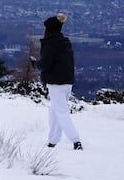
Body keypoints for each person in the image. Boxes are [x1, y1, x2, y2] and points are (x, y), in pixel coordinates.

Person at [37, 13, 82, 150]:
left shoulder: (50, 44)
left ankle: (75, 140)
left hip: (55, 83)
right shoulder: (64, 43)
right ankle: (53, 140)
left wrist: (36, 64)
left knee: (61, 112)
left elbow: (45, 64)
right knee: (55, 111)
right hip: (67, 82)